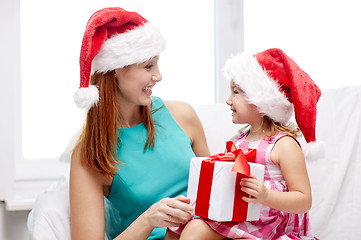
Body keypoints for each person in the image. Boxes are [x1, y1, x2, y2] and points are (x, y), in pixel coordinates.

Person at [70, 7, 210, 240]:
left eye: (156, 64)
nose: (158, 76)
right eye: (148, 66)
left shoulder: (182, 115)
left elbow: (215, 189)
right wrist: (149, 219)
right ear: (115, 70)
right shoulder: (90, 155)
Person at [167, 48, 322, 240]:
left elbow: (304, 200)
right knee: (182, 228)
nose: (228, 100)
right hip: (239, 220)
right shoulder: (235, 143)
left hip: (273, 229)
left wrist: (266, 195)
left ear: (260, 100)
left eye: (236, 92)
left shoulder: (283, 145)